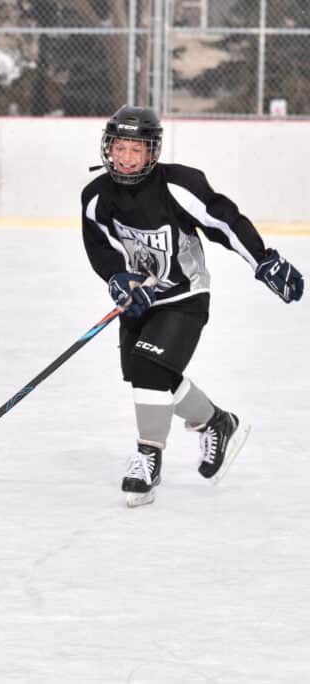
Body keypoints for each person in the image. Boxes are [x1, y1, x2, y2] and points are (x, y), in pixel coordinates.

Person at [81, 105, 304, 507]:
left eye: (137, 149)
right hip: (141, 300)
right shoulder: (96, 197)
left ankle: (148, 458)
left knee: (150, 369)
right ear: (108, 147)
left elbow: (225, 222)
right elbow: (102, 248)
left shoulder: (177, 185)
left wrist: (263, 259)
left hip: (185, 296)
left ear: (153, 152)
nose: (127, 157)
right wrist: (118, 280)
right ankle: (214, 421)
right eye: (120, 147)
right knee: (146, 374)